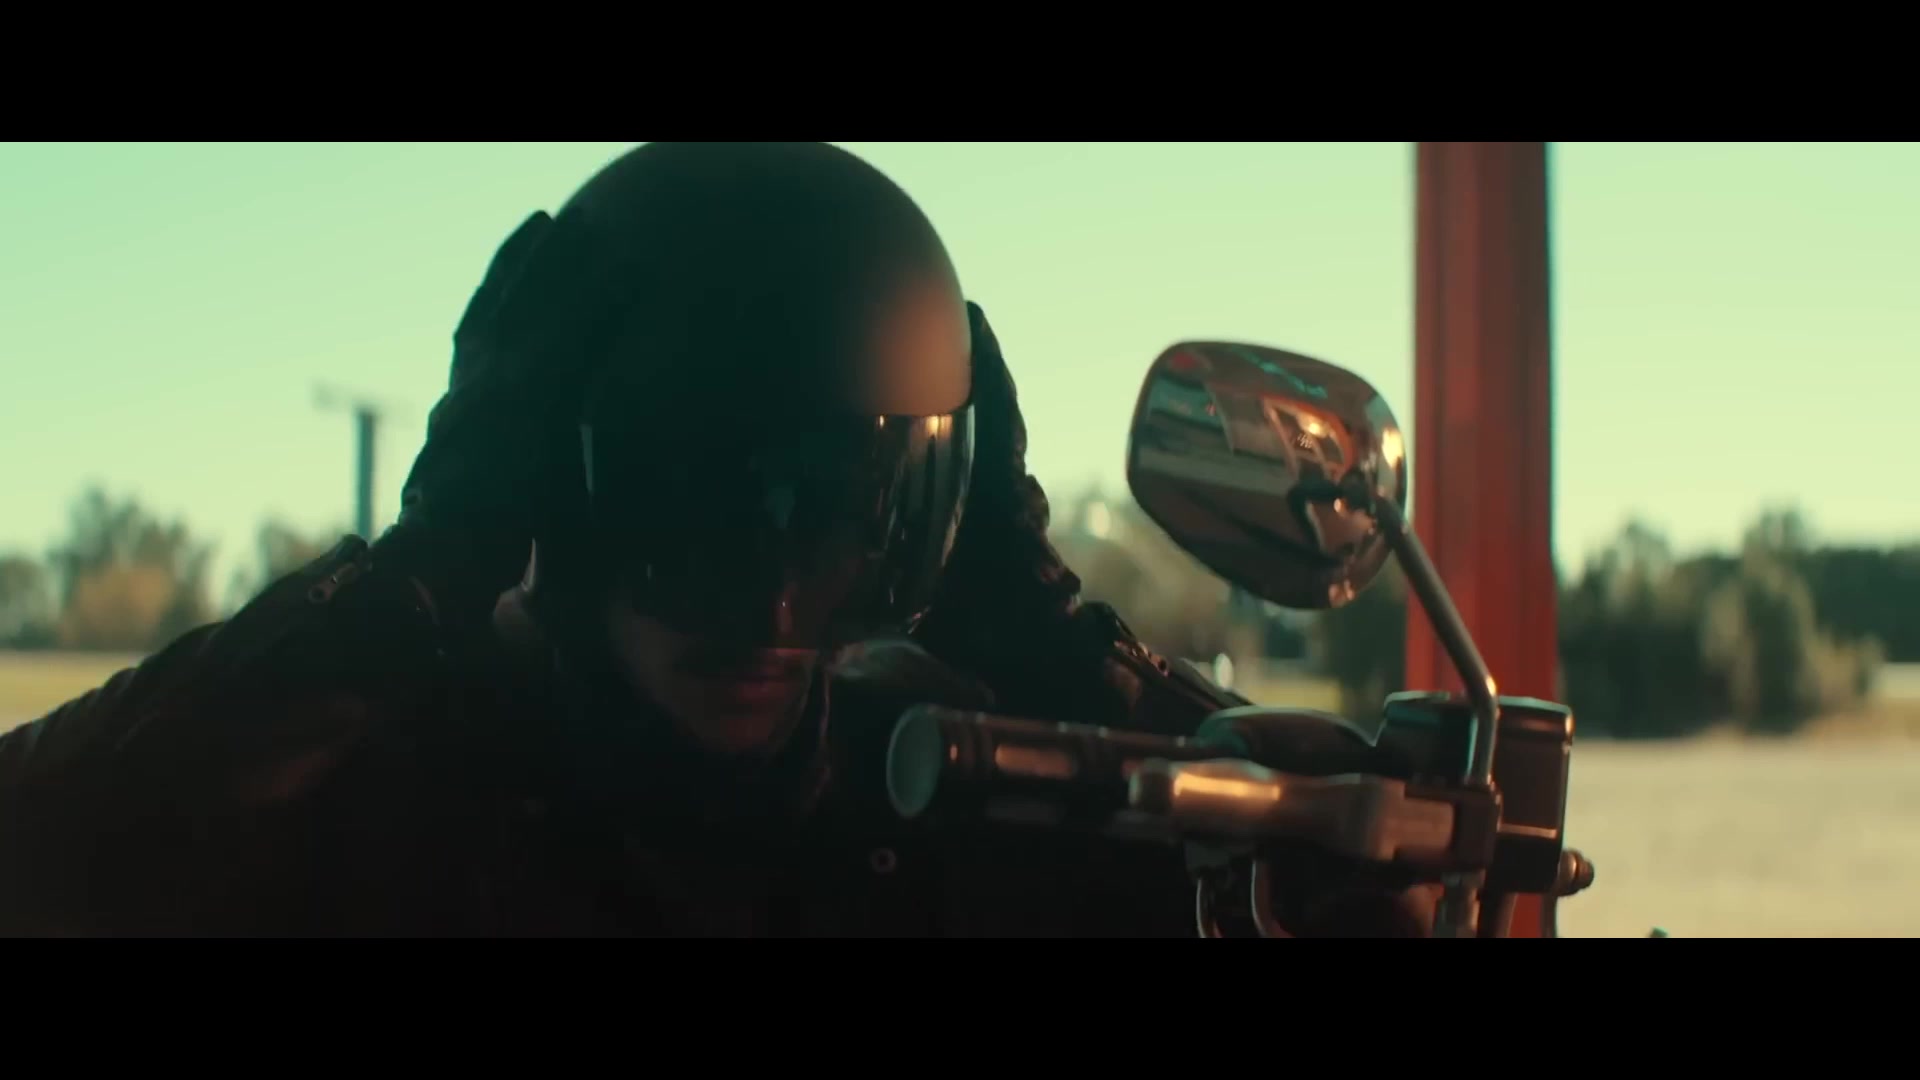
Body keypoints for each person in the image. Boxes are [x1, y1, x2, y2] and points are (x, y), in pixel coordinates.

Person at [0, 142, 1245, 936]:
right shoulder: (384, 794)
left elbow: (1311, 873)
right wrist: (422, 576)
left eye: (828, 518)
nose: (766, 613)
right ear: (549, 485)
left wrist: (1053, 646)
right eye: (699, 518)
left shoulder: (947, 787)